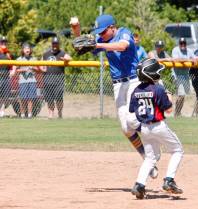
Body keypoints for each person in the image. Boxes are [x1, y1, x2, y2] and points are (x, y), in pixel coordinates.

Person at [70, 14, 158, 178]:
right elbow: (81, 44)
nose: (101, 35)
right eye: (100, 33)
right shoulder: (102, 40)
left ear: (112, 27)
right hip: (118, 85)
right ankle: (147, 159)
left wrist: (99, 44)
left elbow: (123, 46)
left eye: (103, 31)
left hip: (134, 81)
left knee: (133, 119)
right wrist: (76, 29)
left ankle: (154, 143)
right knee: (126, 129)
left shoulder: (123, 32)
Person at [129, 58, 183, 199]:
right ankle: (169, 180)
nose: (159, 72)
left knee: (150, 158)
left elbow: (132, 109)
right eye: (157, 71)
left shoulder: (135, 90)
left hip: (145, 128)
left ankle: (139, 185)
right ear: (150, 74)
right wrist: (169, 95)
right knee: (177, 150)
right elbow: (169, 109)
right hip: (158, 126)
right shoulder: (157, 89)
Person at [41, 37, 72, 119]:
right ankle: (51, 114)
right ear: (51, 44)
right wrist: (41, 68)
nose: (55, 45)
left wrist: (66, 59)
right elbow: (41, 65)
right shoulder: (46, 54)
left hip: (59, 80)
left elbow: (70, 58)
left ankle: (60, 112)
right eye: (53, 43)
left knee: (59, 98)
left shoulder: (62, 53)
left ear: (59, 44)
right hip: (47, 79)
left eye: (56, 43)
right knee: (49, 99)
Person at [12, 43, 40, 118]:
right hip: (22, 81)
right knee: (23, 99)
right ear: (23, 50)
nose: (27, 50)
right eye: (25, 49)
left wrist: (33, 68)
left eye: (28, 48)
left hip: (32, 81)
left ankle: (30, 114)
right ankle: (22, 114)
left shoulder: (34, 59)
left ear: (30, 50)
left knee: (30, 98)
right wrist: (23, 69)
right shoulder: (19, 59)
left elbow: (38, 70)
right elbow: (16, 70)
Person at [171, 37, 194, 117]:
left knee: (183, 96)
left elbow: (194, 59)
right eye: (181, 43)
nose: (183, 45)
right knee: (181, 95)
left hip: (185, 75)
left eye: (184, 43)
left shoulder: (189, 51)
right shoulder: (175, 49)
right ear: (179, 44)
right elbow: (176, 59)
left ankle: (178, 112)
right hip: (177, 75)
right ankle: (176, 112)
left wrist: (190, 60)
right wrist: (187, 60)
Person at [0, 36, 12, 118]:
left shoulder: (8, 53)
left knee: (5, 95)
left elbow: (11, 65)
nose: (4, 43)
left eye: (5, 42)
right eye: (2, 42)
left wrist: (13, 71)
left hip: (6, 77)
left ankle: (2, 110)